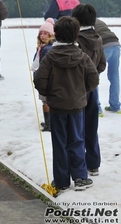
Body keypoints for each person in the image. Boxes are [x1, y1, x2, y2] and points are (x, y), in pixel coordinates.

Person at [34, 16, 98, 193]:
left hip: (56, 107)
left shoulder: (49, 57)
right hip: (77, 107)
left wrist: (49, 93)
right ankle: (80, 177)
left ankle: (61, 180)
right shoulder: (83, 57)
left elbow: (39, 80)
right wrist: (81, 92)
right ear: (76, 35)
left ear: (56, 34)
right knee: (77, 140)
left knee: (60, 142)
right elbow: (93, 79)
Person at [72, 4, 106, 177]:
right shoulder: (98, 38)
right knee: (91, 127)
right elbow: (102, 64)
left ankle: (79, 165)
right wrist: (93, 77)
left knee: (77, 128)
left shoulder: (76, 40)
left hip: (77, 90)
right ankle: (94, 163)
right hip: (93, 89)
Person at [31, 18, 55, 132]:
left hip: (45, 80)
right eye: (41, 33)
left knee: (45, 101)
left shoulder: (47, 49)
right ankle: (49, 121)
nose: (43, 36)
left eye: (46, 33)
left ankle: (49, 124)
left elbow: (43, 66)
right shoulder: (42, 47)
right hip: (44, 78)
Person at [94, 18, 121, 115]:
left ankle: (97, 108)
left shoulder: (84, 22)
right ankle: (115, 106)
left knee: (94, 77)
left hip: (104, 46)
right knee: (114, 76)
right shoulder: (99, 21)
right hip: (116, 44)